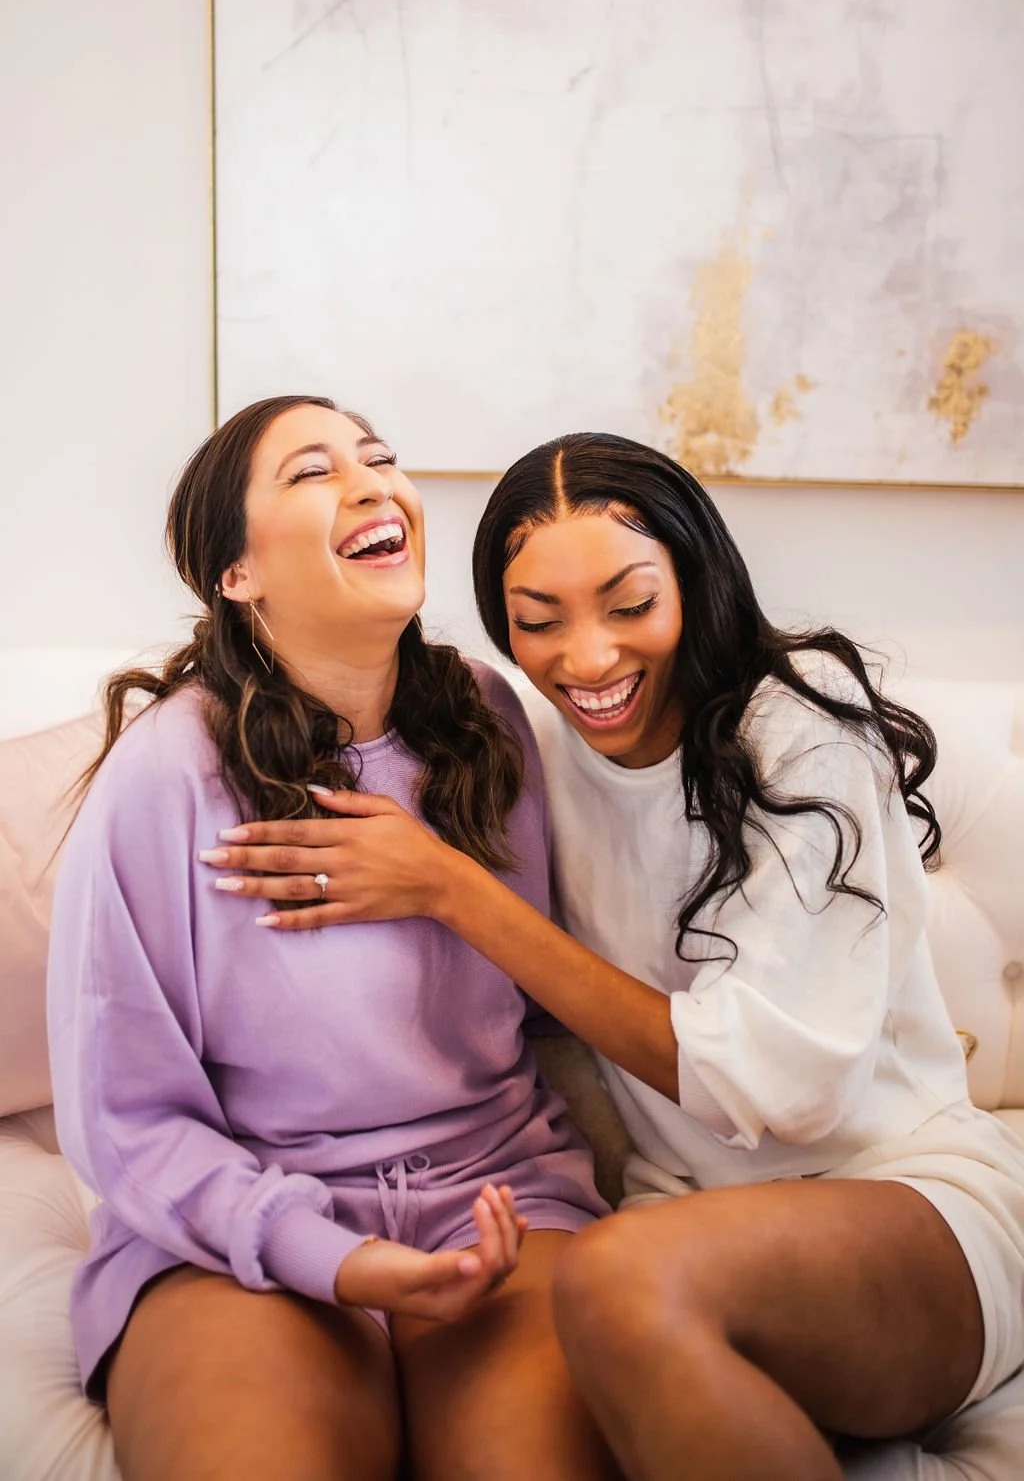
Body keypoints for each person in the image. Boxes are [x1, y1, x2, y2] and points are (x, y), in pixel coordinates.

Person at [209, 431, 1024, 1481]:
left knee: (609, 1277)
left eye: (630, 605)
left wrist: (450, 887)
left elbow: (783, 1088)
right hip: (671, 1227)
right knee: (600, 1290)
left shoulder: (801, 725)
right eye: (537, 623)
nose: (586, 661)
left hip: (905, 1202)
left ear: (696, 576)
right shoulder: (527, 748)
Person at [47, 400, 618, 1481]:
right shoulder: (167, 773)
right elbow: (128, 1118)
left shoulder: (488, 716)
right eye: (313, 473)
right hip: (236, 1226)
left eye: (381, 459)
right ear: (236, 575)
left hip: (499, 1197)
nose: (371, 484)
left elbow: (548, 988)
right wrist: (339, 1258)